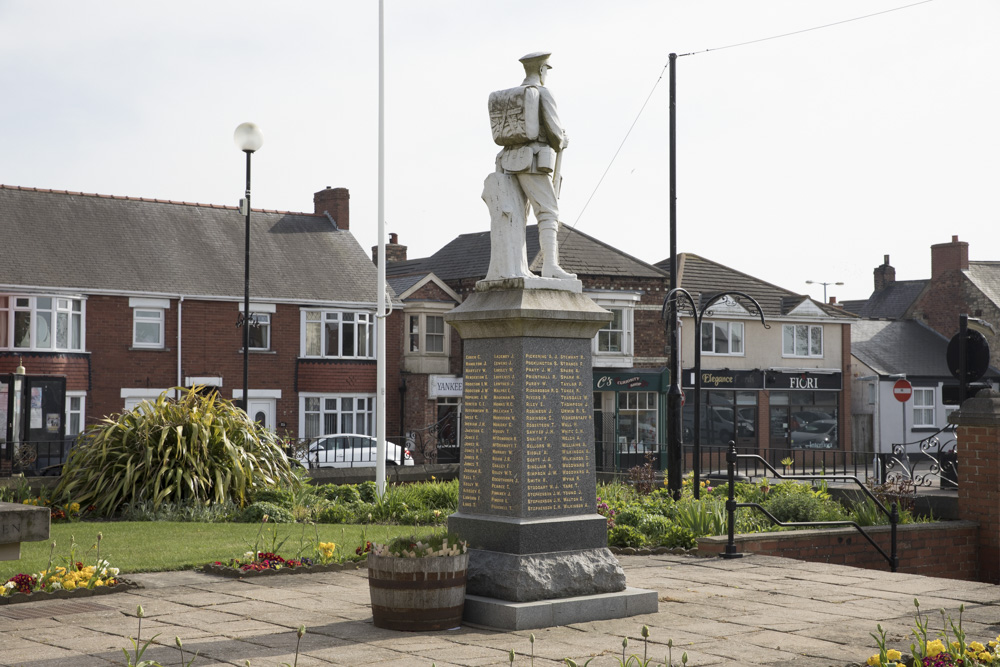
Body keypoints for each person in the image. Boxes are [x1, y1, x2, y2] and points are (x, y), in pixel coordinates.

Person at [489, 51, 575, 280]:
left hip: (509, 161)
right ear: (541, 69)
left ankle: (518, 266)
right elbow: (555, 133)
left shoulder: (513, 95)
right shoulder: (543, 93)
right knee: (548, 211)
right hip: (535, 161)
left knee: (519, 214)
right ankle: (550, 266)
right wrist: (562, 140)